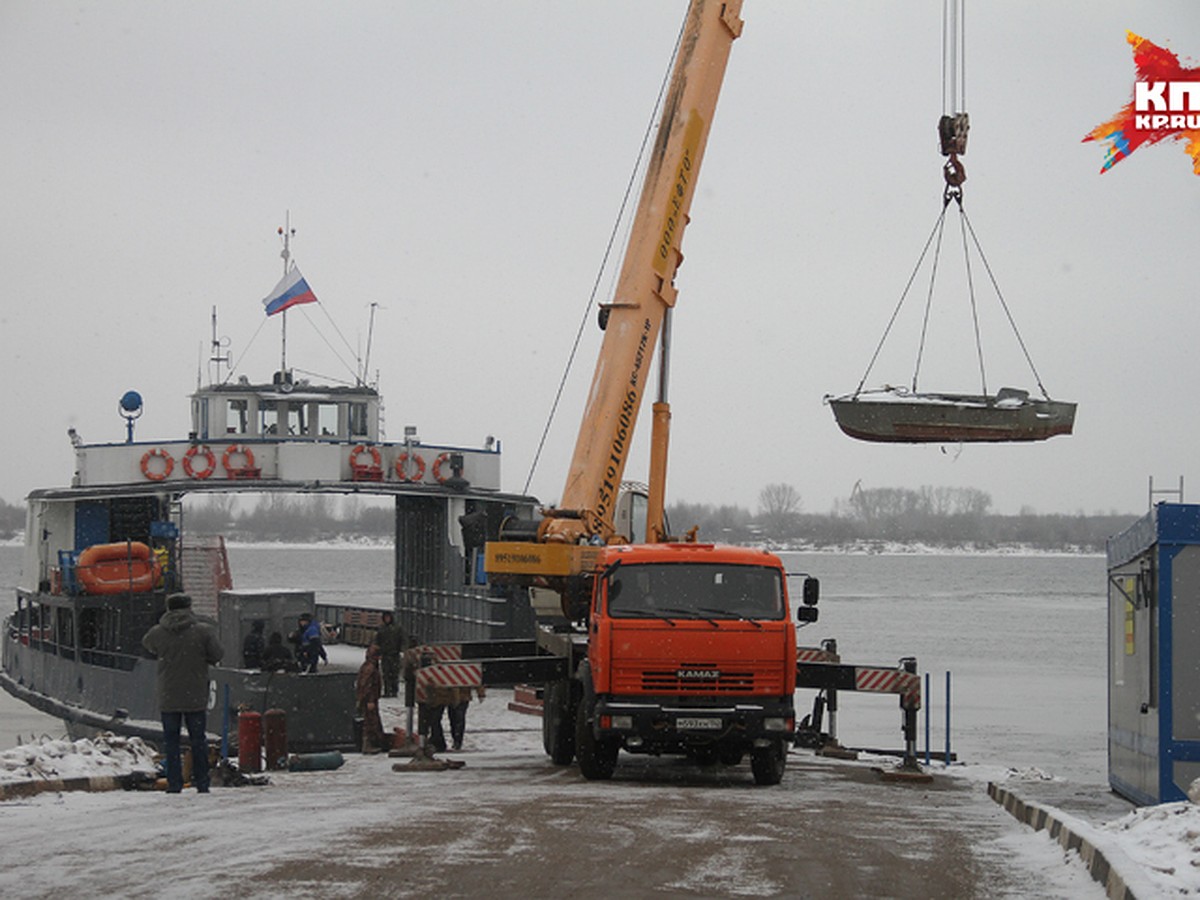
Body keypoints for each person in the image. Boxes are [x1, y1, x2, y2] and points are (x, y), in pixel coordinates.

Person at [141, 593, 224, 793]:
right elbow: (218, 654)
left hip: (169, 694)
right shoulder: (203, 631)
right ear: (189, 607)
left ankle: (174, 784)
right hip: (195, 693)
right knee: (198, 740)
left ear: (168, 608)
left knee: (171, 741)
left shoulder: (157, 632)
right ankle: (202, 783)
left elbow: (148, 646)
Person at [427, 683, 485, 752]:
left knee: (456, 719)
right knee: (436, 718)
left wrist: (480, 691)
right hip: (441, 693)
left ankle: (454, 742)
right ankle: (440, 742)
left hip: (454, 693)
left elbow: (476, 677)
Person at [355, 644, 385, 753]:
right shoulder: (371, 668)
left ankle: (372, 743)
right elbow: (368, 685)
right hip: (369, 700)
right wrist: (370, 700)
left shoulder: (367, 666)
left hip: (366, 699)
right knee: (370, 722)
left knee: (371, 721)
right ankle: (368, 745)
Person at [373, 610, 404, 698]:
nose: (387, 619)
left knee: (394, 674)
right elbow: (377, 640)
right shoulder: (382, 629)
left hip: (395, 654)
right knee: (386, 674)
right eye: (385, 617)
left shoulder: (397, 628)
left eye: (388, 617)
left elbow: (403, 639)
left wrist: (402, 650)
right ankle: (387, 691)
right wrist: (377, 651)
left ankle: (394, 691)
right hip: (385, 655)